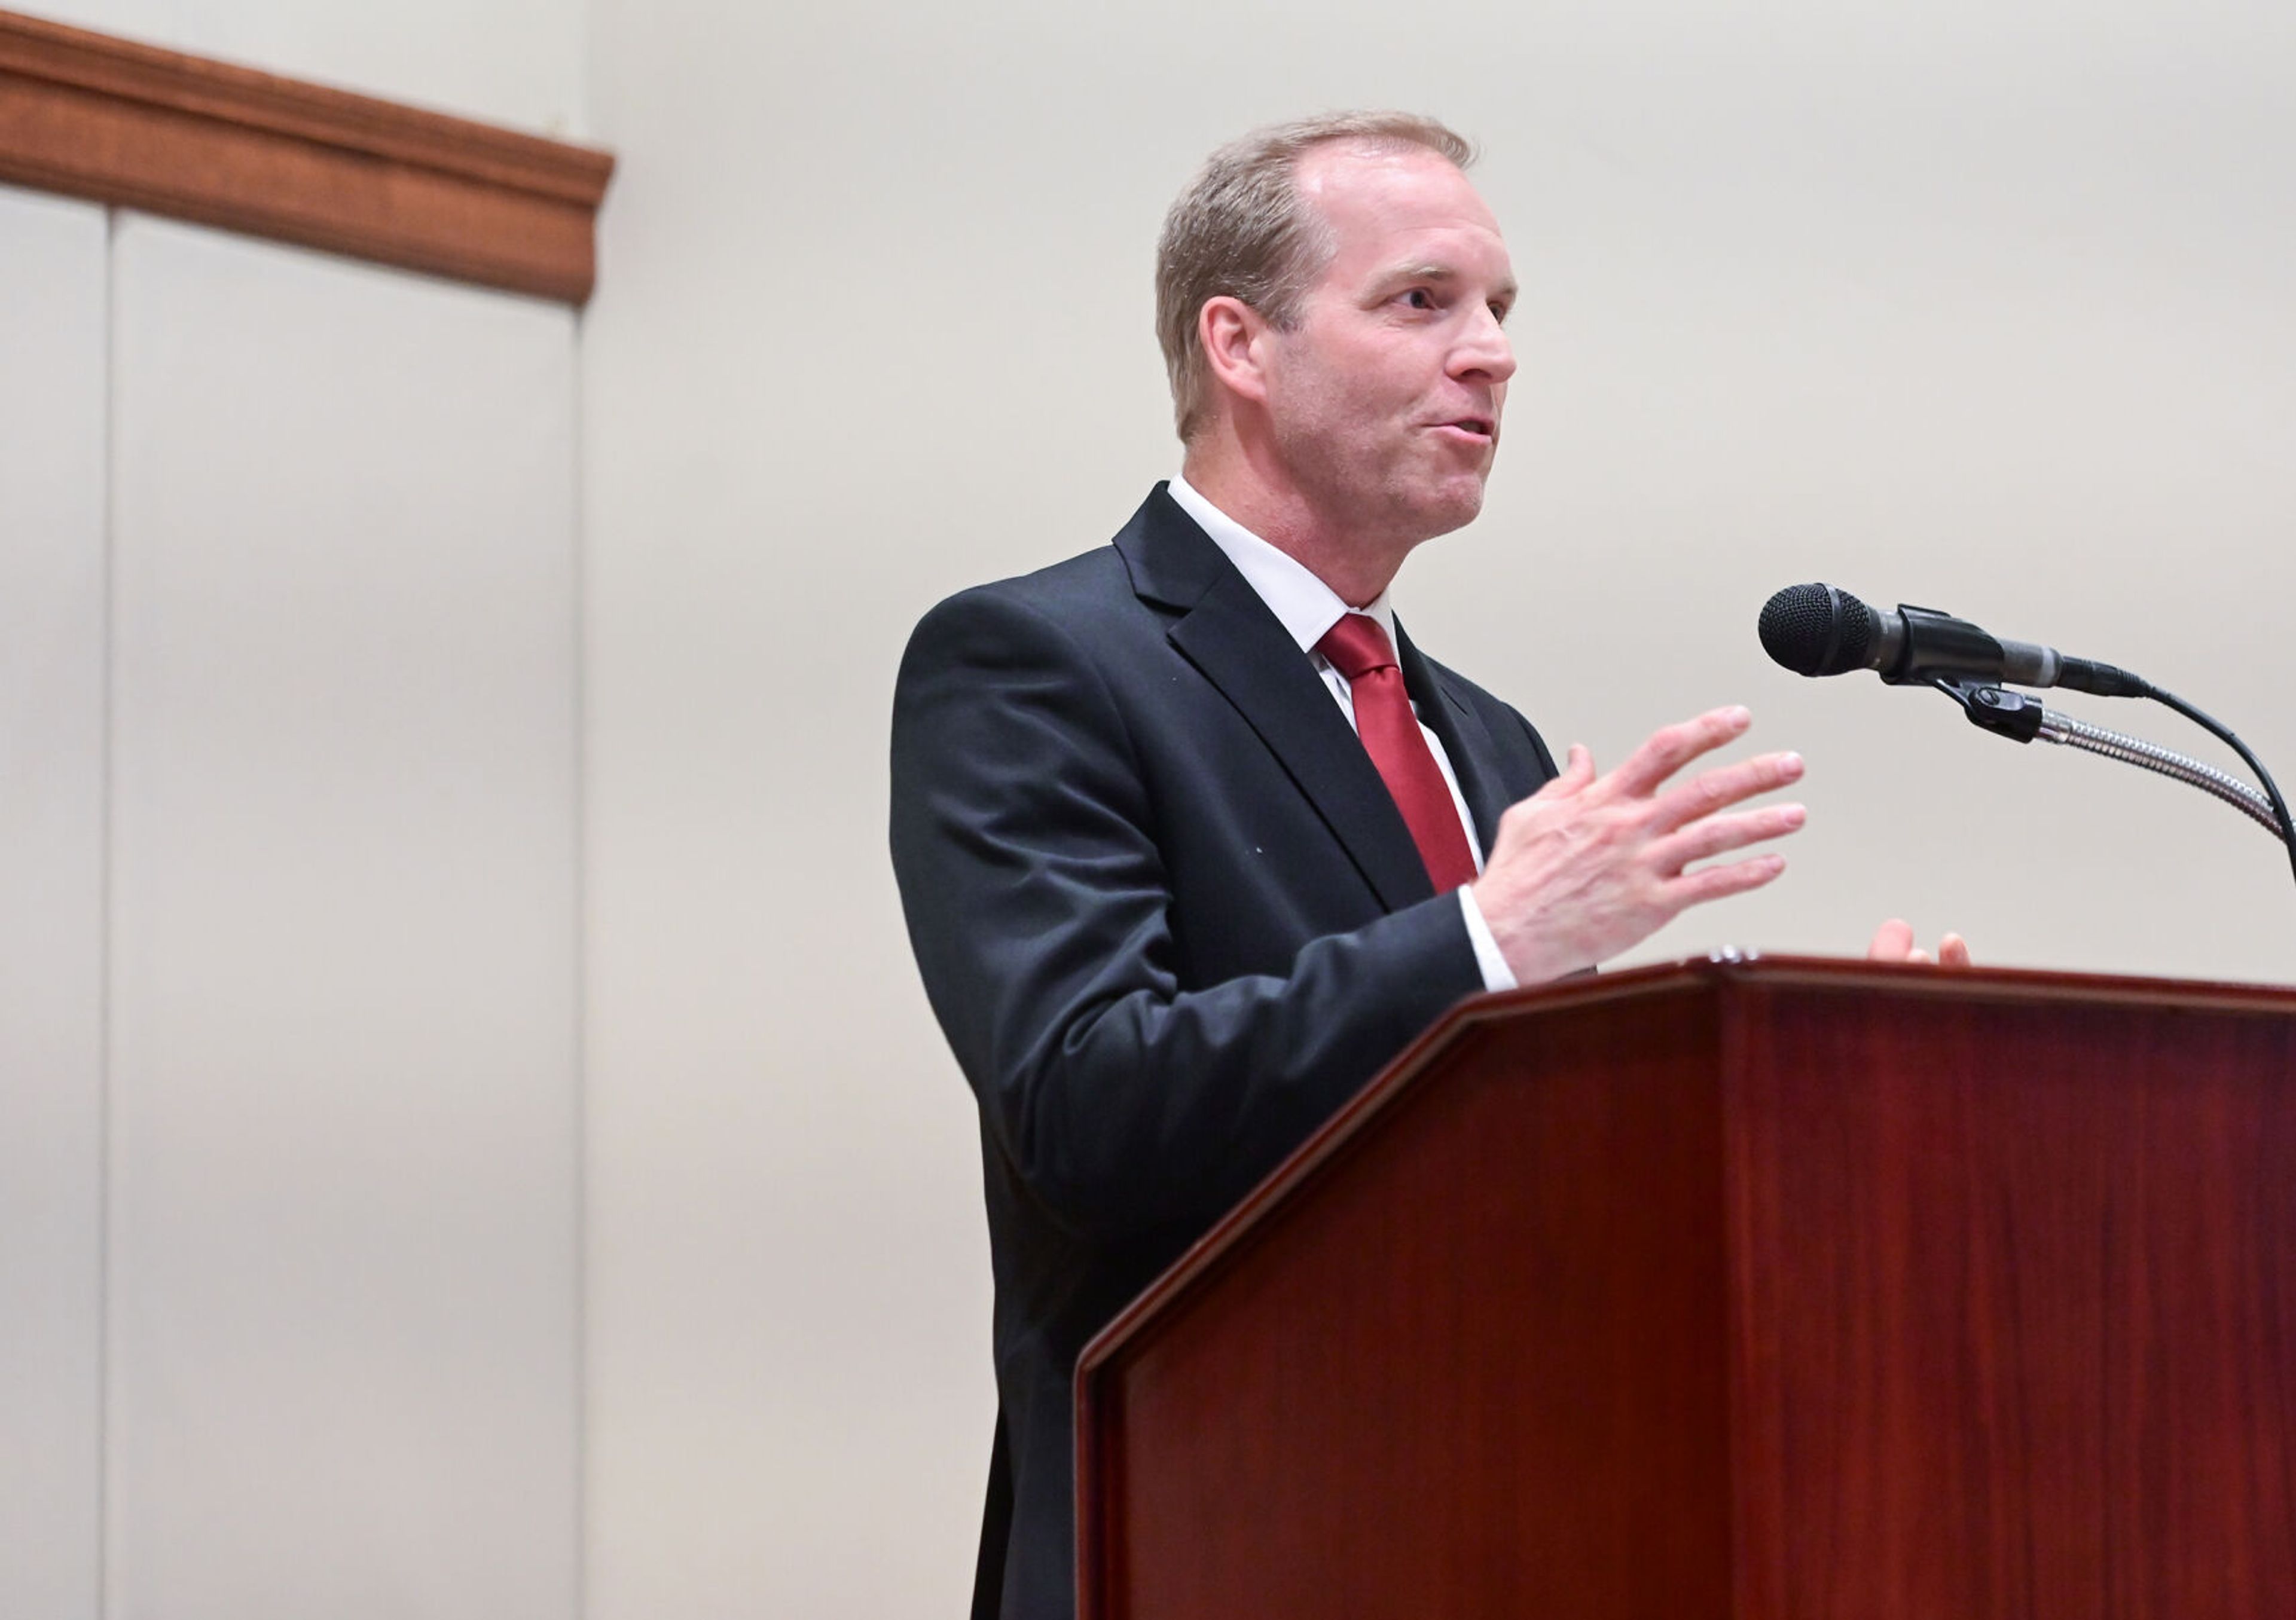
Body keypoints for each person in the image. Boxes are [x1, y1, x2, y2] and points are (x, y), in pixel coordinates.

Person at [889, 111, 1964, 1620]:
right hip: (1203, 1535)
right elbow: (1086, 1102)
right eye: (1422, 301)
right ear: (1241, 345)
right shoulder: (1036, 664)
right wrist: (1485, 937)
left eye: (1501, 311)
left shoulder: (1491, 741)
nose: (1493, 354)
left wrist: (1832, 1107)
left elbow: (1535, 1199)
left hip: (1502, 1534)